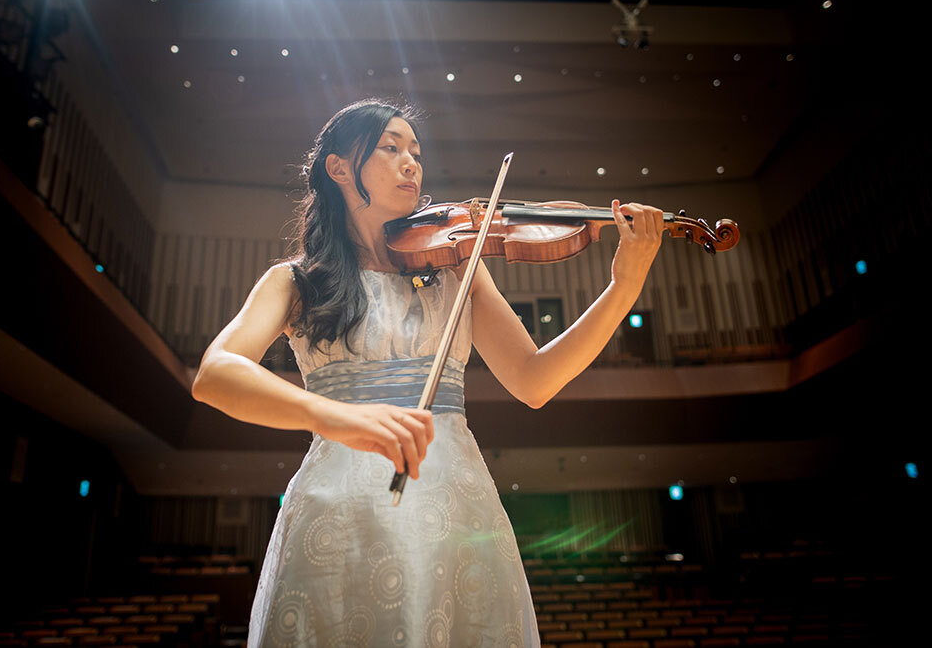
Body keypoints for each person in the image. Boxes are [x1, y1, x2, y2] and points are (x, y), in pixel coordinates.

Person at [191, 99, 665, 647]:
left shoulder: (457, 266)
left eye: (415, 151)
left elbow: (536, 381)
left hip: (455, 502)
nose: (411, 162)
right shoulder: (295, 281)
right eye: (390, 148)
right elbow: (215, 373)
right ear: (338, 167)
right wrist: (340, 418)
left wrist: (622, 287)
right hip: (340, 508)